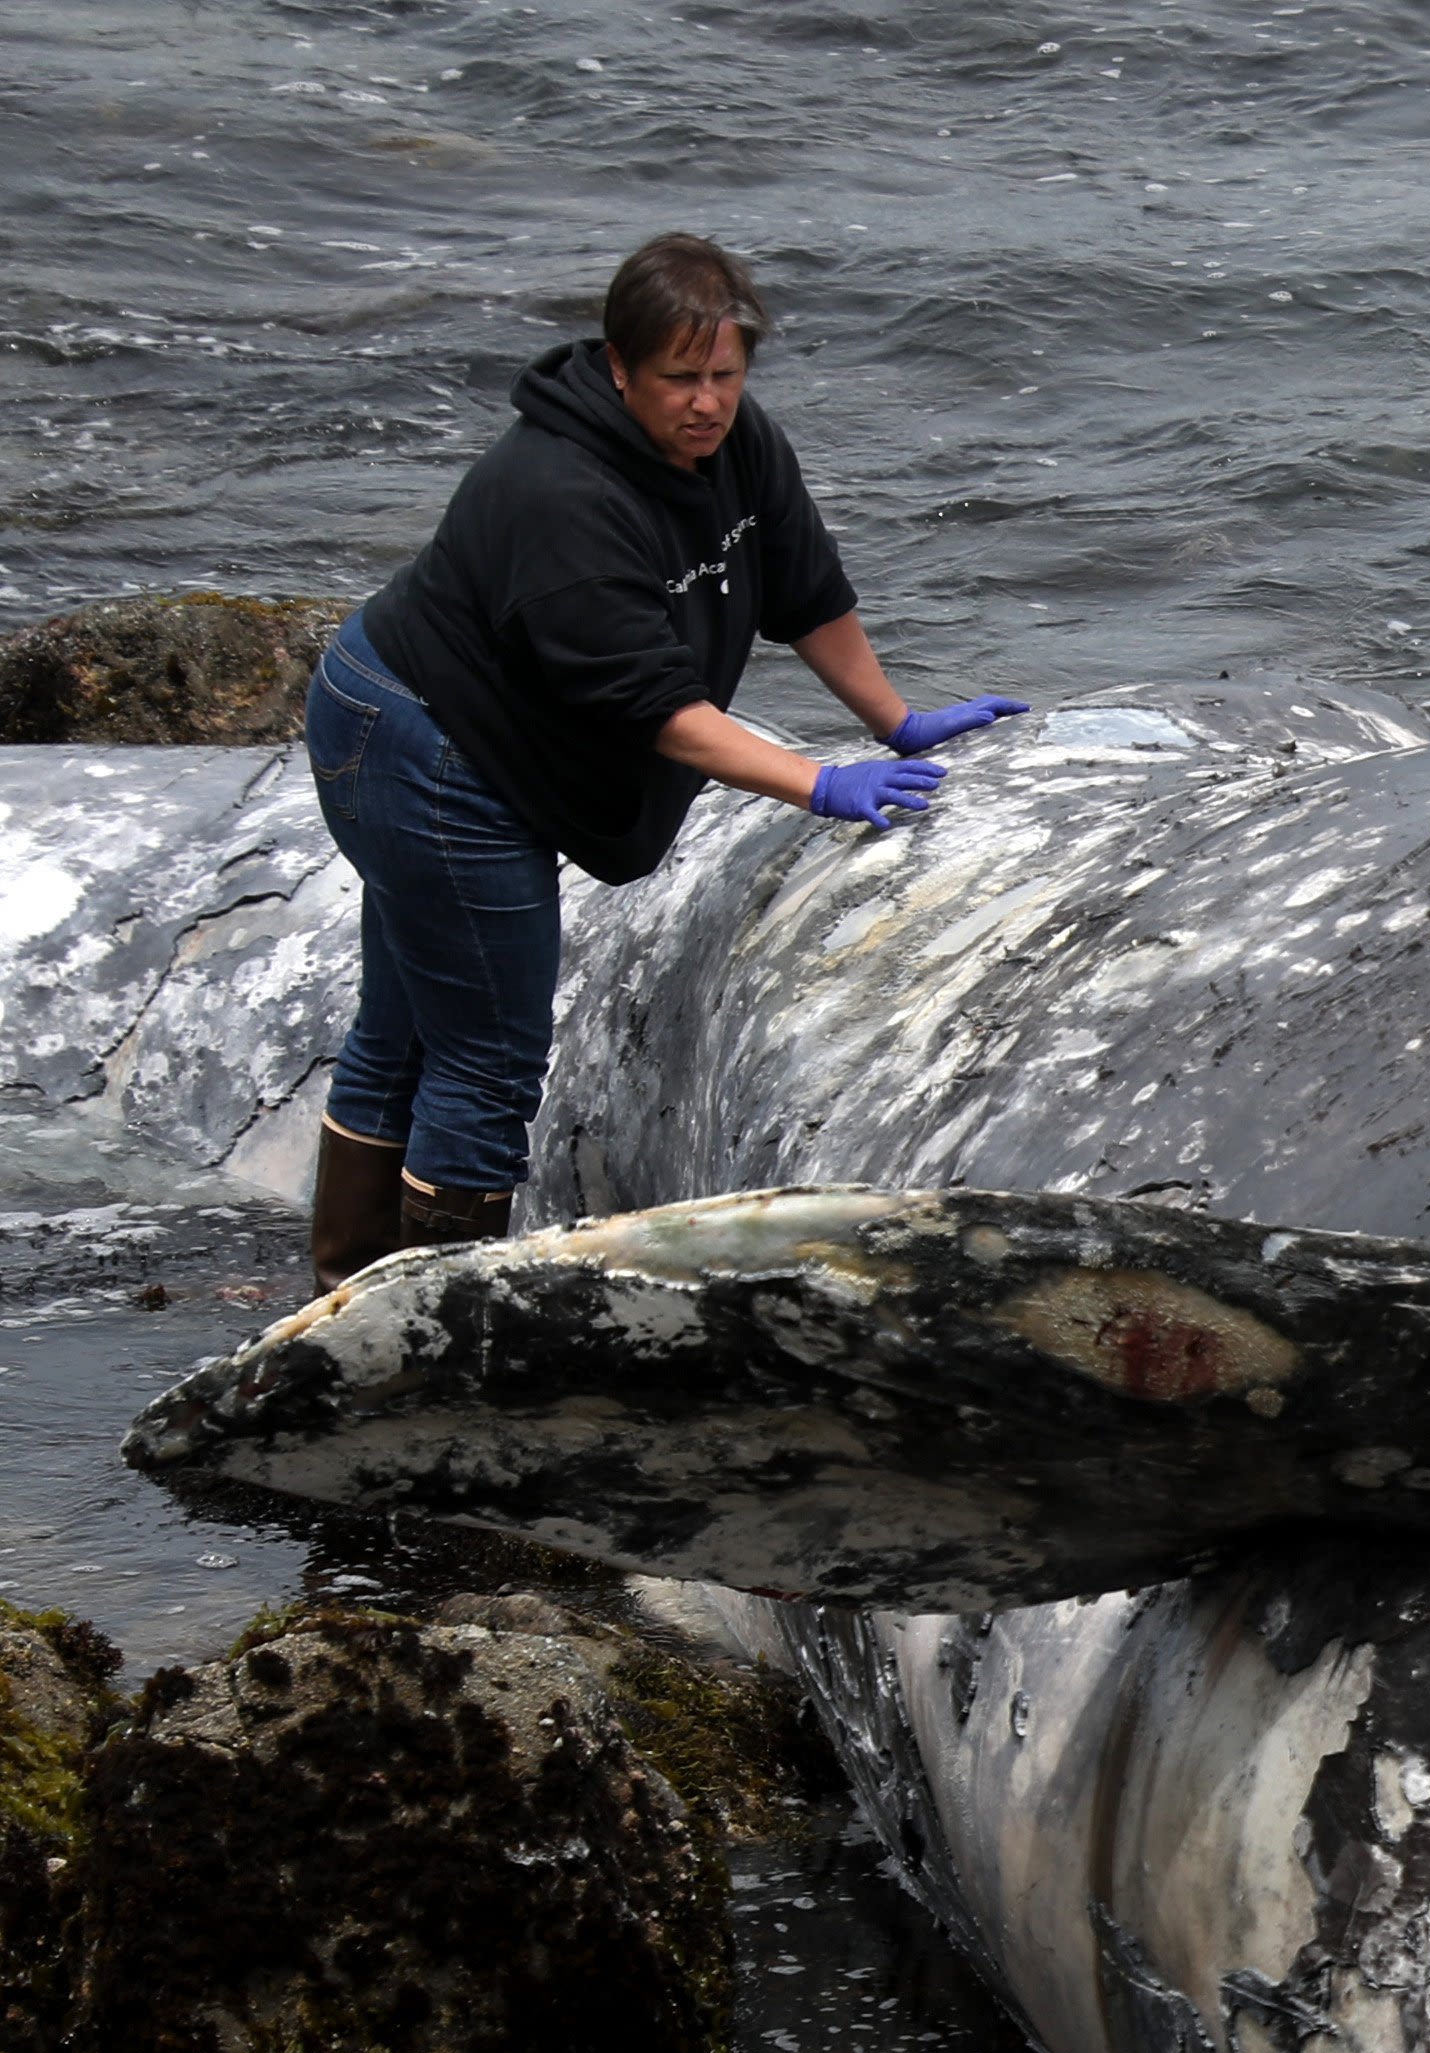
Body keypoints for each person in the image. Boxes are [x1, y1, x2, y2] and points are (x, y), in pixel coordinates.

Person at [300, 233, 1021, 1287]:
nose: (706, 402)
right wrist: (820, 784)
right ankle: (433, 1331)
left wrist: (893, 720)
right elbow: (655, 710)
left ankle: (345, 1293)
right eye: (680, 378)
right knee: (485, 1059)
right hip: (425, 744)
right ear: (619, 366)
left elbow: (804, 586)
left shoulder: (738, 444)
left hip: (463, 725)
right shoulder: (559, 494)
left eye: (725, 375)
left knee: (415, 1021)